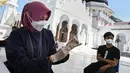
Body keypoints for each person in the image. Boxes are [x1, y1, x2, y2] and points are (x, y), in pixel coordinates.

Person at [5, 1, 81, 73]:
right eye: (40, 18)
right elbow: (21, 65)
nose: (43, 22)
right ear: (29, 16)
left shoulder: (47, 34)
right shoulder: (16, 35)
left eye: (46, 18)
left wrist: (65, 51)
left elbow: (53, 55)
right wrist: (51, 59)